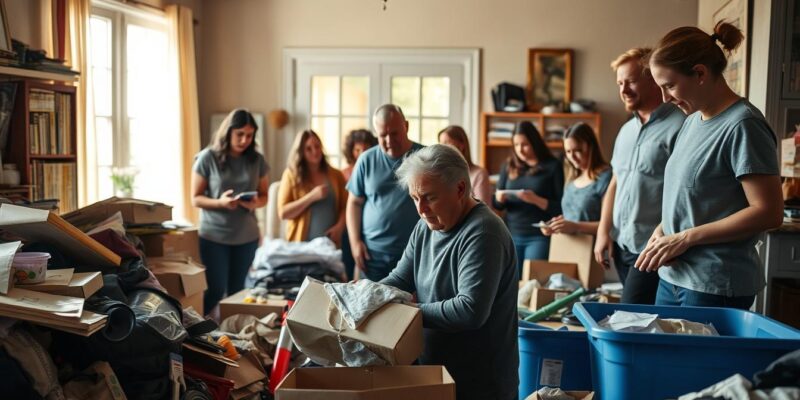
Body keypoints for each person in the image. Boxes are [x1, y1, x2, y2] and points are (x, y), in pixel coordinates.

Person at [635, 22, 783, 309]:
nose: (665, 98)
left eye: (670, 86)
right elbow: (697, 196)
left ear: (700, 73)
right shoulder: (691, 122)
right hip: (673, 277)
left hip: (712, 284)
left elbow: (768, 212)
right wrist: (664, 229)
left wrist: (685, 238)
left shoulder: (743, 125)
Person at [381, 144, 518, 400]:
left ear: (460, 189)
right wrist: (367, 295)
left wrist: (406, 311)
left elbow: (470, 310)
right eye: (414, 198)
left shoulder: (483, 232)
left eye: (430, 197)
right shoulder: (426, 226)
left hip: (480, 384)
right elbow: (400, 279)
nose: (421, 209)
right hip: (437, 373)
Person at [593, 48, 686, 305]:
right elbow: (616, 181)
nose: (624, 89)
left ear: (653, 80)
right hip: (623, 245)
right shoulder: (625, 131)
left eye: (631, 81)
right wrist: (604, 232)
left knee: (629, 318)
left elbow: (684, 192)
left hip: (653, 247)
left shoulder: (681, 125)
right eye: (620, 83)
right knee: (641, 320)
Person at [191, 109, 269, 315]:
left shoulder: (257, 160)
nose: (244, 140)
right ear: (228, 132)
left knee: (238, 291)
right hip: (214, 235)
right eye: (240, 134)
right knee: (215, 290)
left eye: (249, 135)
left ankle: (233, 334)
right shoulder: (208, 157)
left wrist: (255, 203)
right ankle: (194, 329)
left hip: (246, 236)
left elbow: (264, 196)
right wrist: (220, 203)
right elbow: (195, 198)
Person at [346, 104, 423, 281]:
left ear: (406, 126)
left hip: (414, 254)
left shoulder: (424, 157)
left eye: (394, 133)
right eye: (382, 135)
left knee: (410, 308)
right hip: (372, 256)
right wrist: (355, 242)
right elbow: (354, 203)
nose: (389, 140)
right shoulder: (366, 159)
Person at [493, 121, 563, 272]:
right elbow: (497, 205)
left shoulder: (553, 166)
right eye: (516, 145)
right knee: (511, 283)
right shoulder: (508, 165)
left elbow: (561, 207)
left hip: (539, 236)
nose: (520, 150)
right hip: (511, 234)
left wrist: (535, 200)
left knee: (532, 281)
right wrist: (499, 199)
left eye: (524, 144)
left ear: (535, 142)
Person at [277, 129, 347, 246]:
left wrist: (340, 227)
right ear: (301, 152)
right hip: (301, 244)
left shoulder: (336, 175)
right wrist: (311, 197)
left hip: (330, 244)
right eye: (308, 149)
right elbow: (283, 213)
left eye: (317, 146)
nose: (315, 151)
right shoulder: (291, 175)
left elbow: (345, 207)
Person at [541, 123, 611, 236]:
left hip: (593, 247)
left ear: (590, 147)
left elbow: (610, 225)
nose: (572, 157)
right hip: (569, 245)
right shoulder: (571, 177)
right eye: (568, 152)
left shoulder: (606, 177)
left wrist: (575, 227)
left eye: (577, 150)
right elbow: (574, 216)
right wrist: (557, 225)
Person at [340, 129, 378, 279]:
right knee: (349, 264)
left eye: (366, 148)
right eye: (357, 149)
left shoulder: (375, 170)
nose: (362, 153)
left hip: (370, 229)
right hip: (348, 228)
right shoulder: (343, 174)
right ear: (351, 151)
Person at [438, 125, 494, 207]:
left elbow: (483, 208)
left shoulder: (479, 174)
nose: (441, 148)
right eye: (440, 144)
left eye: (446, 143)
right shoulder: (440, 173)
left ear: (461, 146)